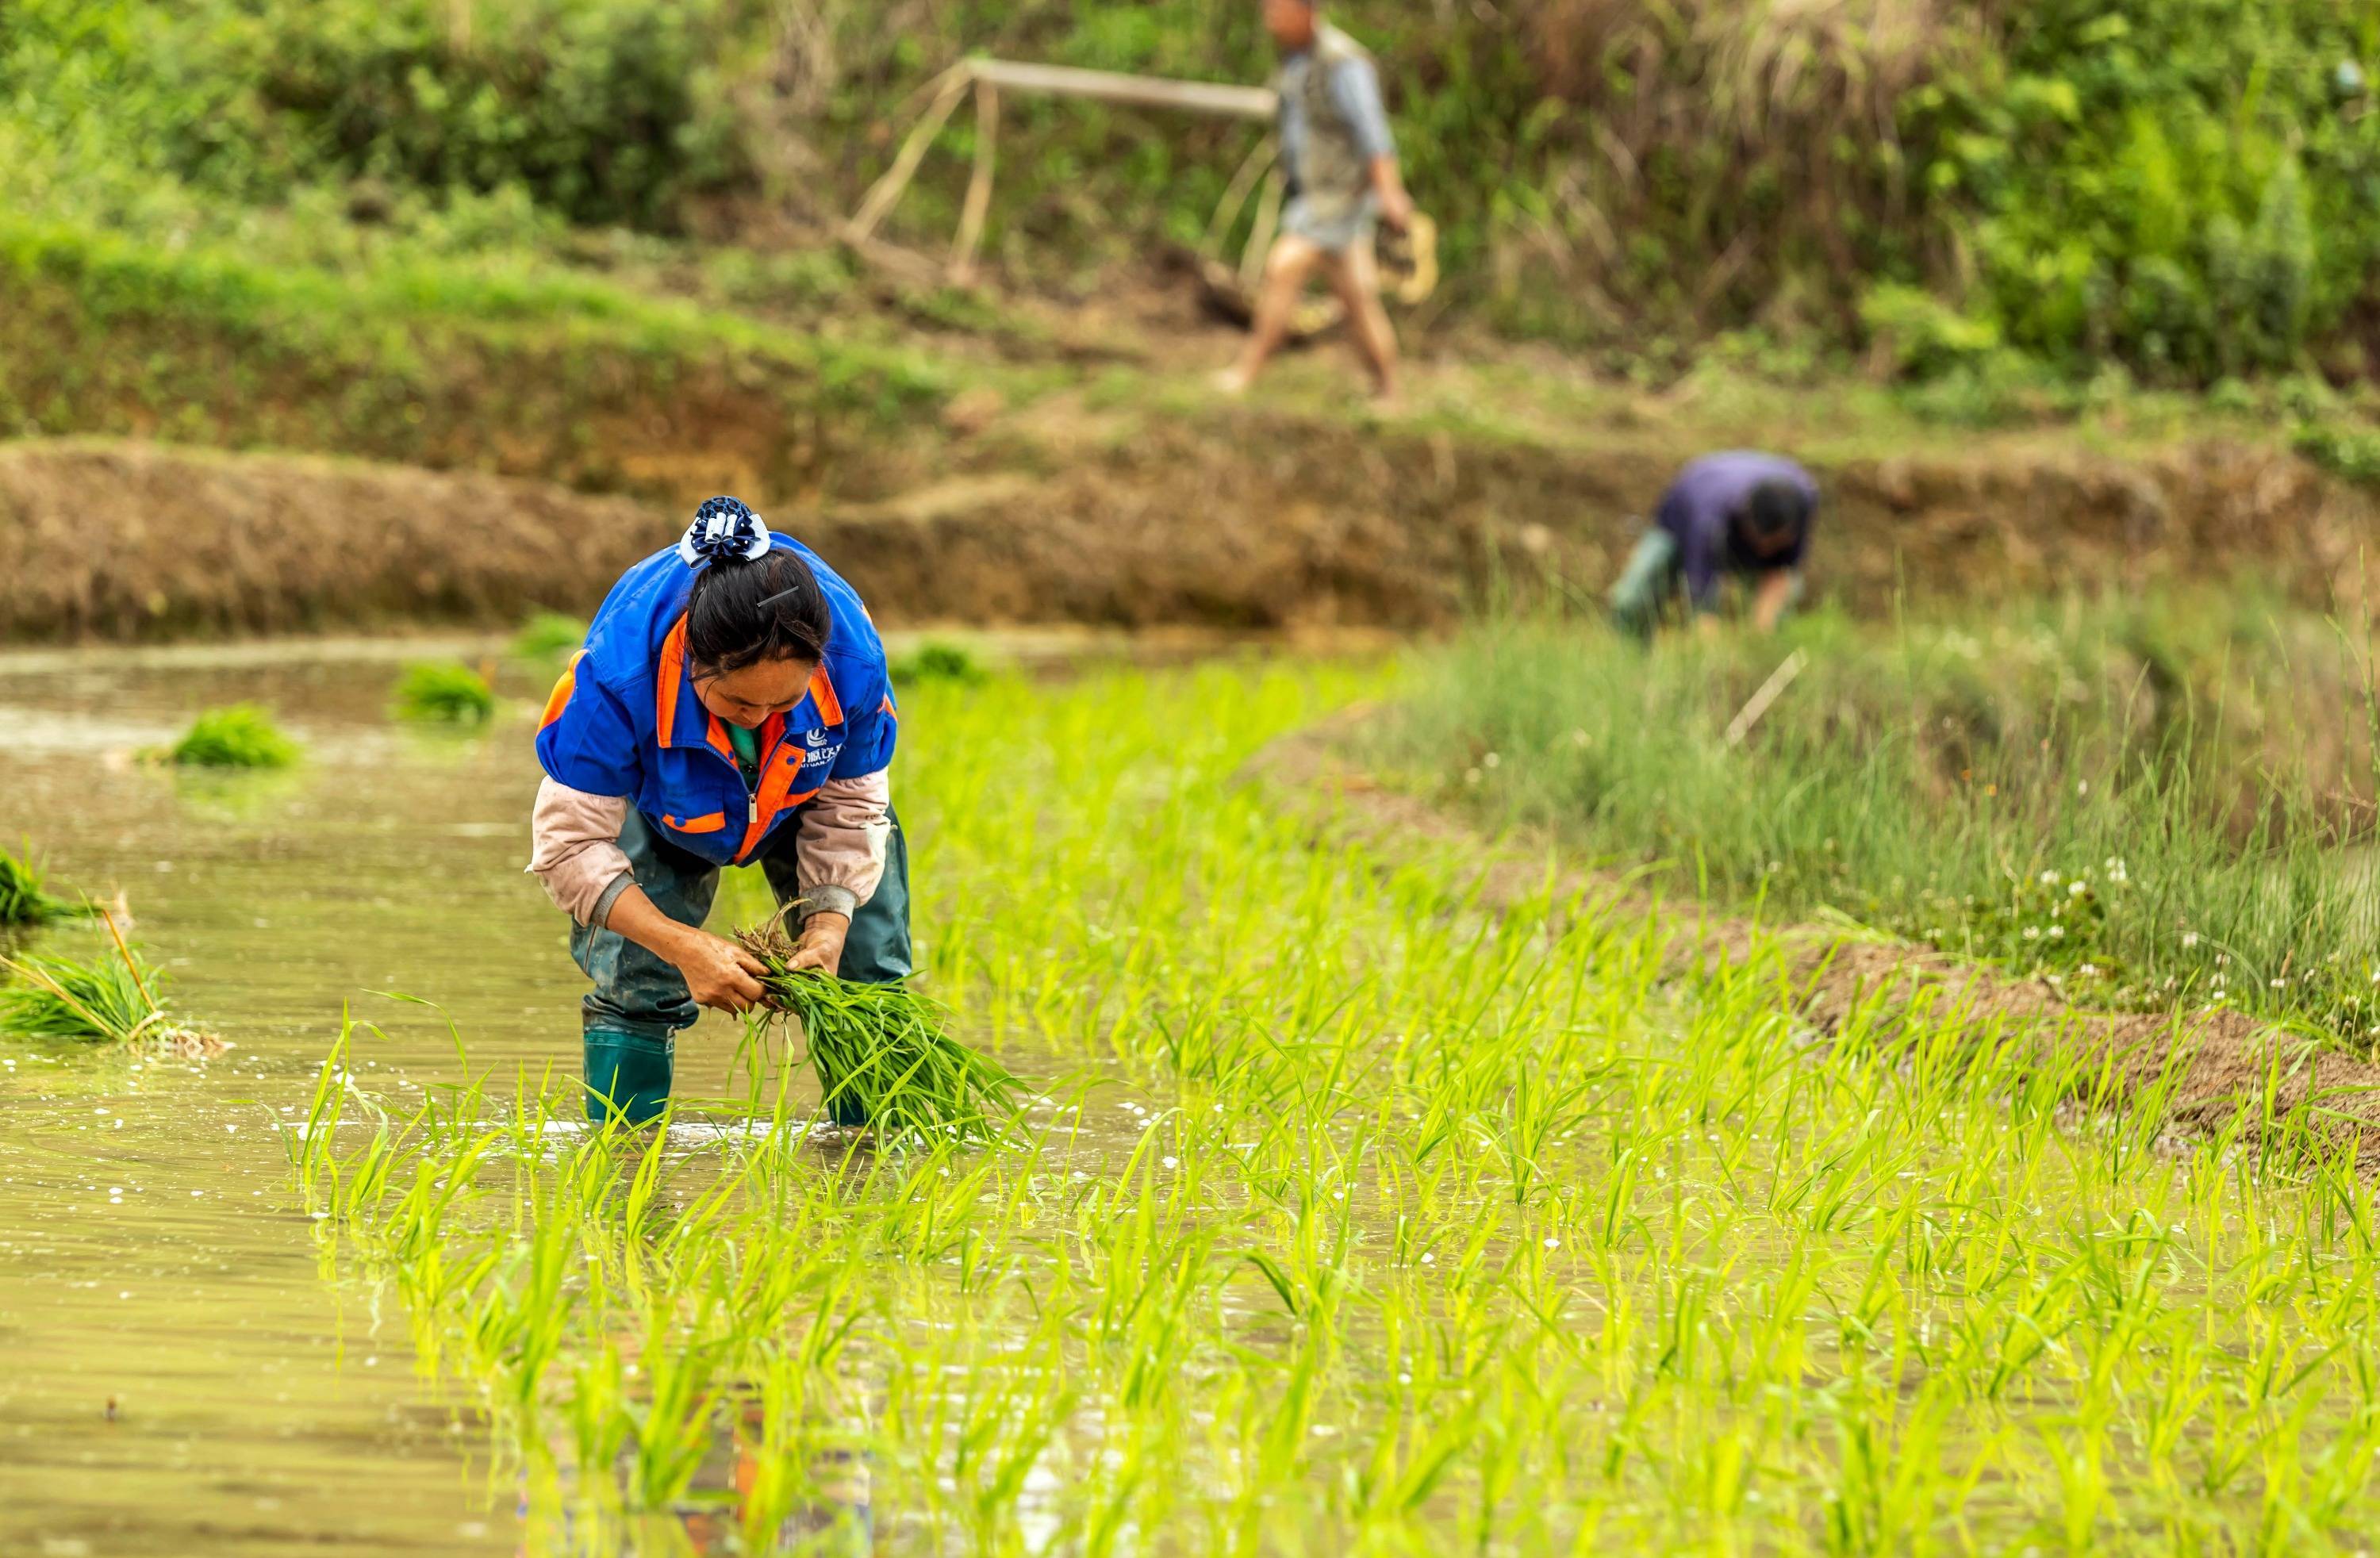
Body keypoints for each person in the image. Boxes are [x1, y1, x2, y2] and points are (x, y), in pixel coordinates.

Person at [528, 496, 908, 1126]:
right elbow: (568, 848)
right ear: (692, 660)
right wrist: (679, 945)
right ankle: (624, 1160)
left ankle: (869, 1159)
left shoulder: (854, 663)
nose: (761, 720)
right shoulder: (618, 678)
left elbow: (853, 803)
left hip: (807, 794)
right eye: (738, 703)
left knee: (867, 981)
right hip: (672, 802)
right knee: (636, 984)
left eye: (784, 704)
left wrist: (830, 925)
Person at [1215, 0, 1414, 403]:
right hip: (1317, 195)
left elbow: (1373, 133)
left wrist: (1391, 193)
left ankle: (1248, 371)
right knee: (1357, 298)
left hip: (1338, 198)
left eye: (1278, 10)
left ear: (1306, 10)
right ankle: (1389, 390)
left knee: (1282, 267)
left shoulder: (1343, 64)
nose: (1270, 19)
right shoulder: (1296, 60)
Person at [1609, 452, 1818, 639]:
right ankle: (1633, 656)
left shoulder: (1804, 498)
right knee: (1631, 599)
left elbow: (1781, 572)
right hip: (1680, 525)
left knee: (1787, 597)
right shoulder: (1709, 516)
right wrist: (1712, 650)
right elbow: (1701, 597)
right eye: (1762, 541)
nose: (1766, 550)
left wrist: (1761, 632)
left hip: (1732, 512)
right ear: (1747, 521)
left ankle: (1768, 661)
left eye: (1775, 543)